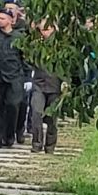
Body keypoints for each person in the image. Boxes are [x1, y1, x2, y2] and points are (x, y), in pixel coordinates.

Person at [0, 9, 32, 148]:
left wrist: (28, 78)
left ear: (11, 20)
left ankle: (10, 135)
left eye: (3, 18)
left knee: (13, 105)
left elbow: (25, 58)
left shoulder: (19, 37)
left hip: (14, 77)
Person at [31, 21, 61, 153]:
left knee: (52, 118)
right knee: (36, 112)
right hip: (39, 84)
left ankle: (50, 146)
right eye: (42, 30)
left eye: (48, 29)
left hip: (55, 85)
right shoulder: (35, 45)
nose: (45, 32)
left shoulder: (60, 46)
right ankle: (36, 144)